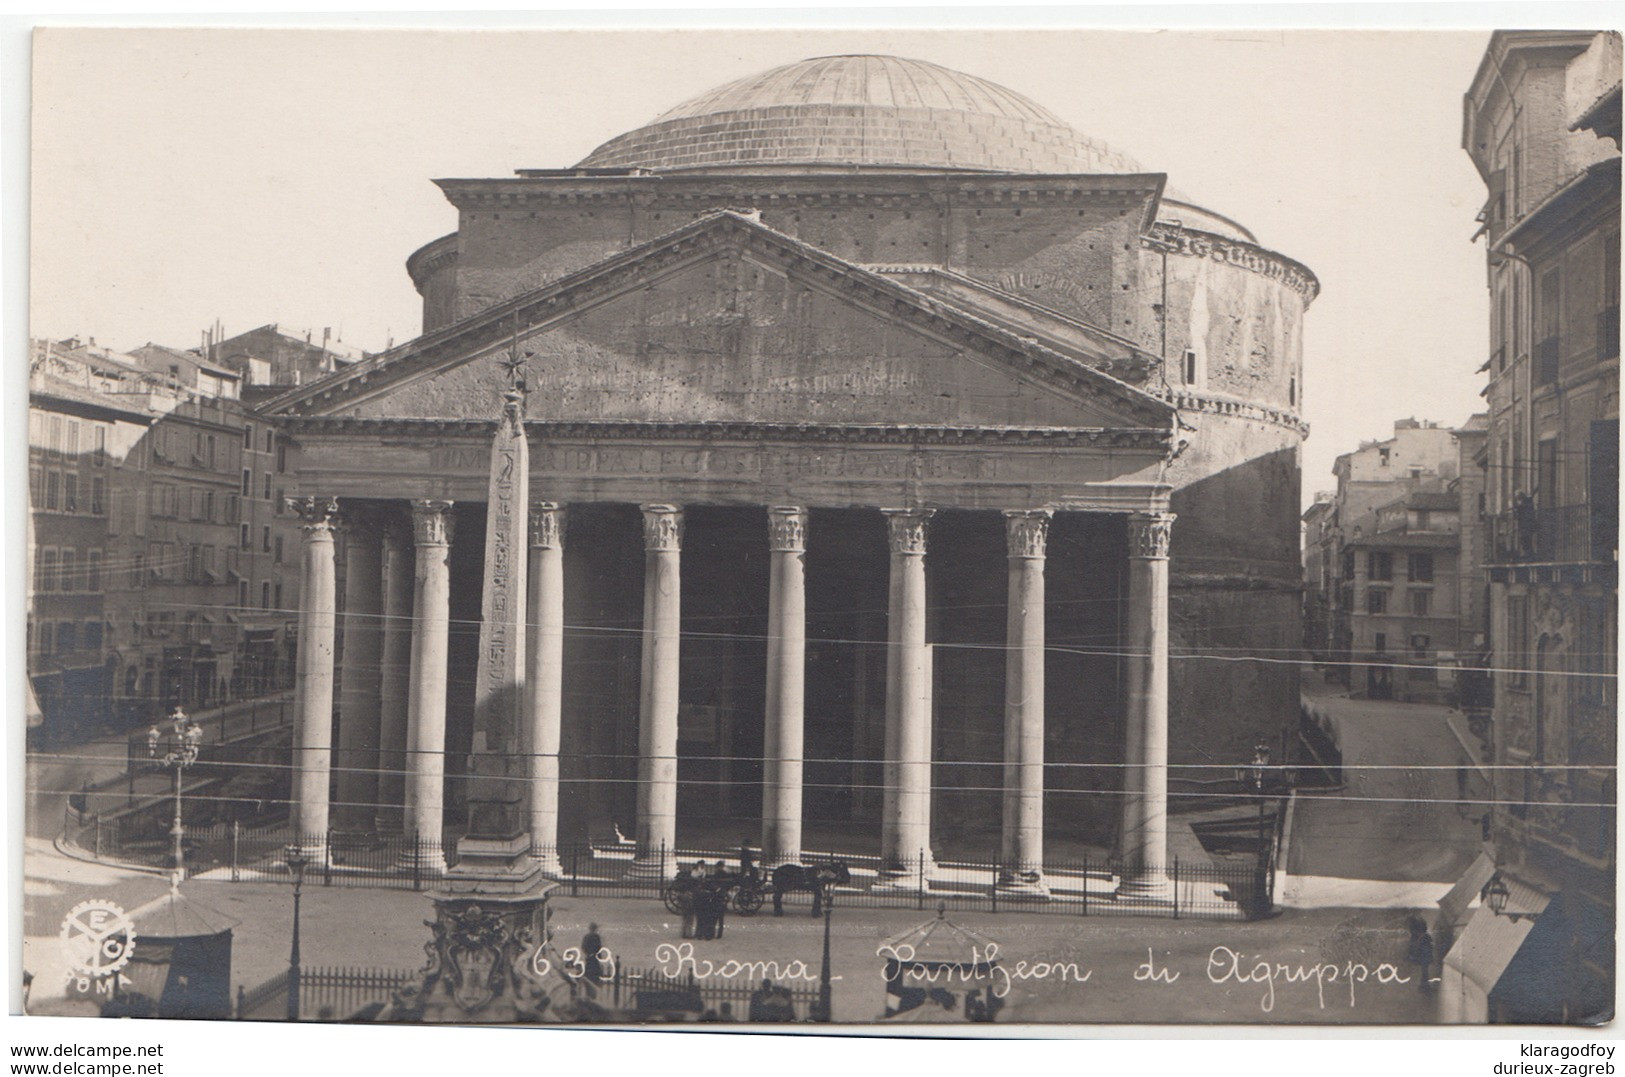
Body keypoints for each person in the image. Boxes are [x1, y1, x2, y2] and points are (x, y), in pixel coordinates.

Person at [1406, 916, 1435, 993]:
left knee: (1424, 971)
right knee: (1424, 971)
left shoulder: (1418, 937)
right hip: (1424, 956)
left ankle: (1424, 986)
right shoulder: (1424, 937)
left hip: (1423, 955)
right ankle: (1424, 986)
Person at [582, 923, 604, 997]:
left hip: (588, 959)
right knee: (595, 979)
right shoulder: (596, 936)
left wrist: (588, 954)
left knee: (588, 979)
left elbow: (583, 947)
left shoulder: (586, 936)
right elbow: (599, 949)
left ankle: (588, 995)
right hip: (594, 960)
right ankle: (593, 996)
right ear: (595, 928)